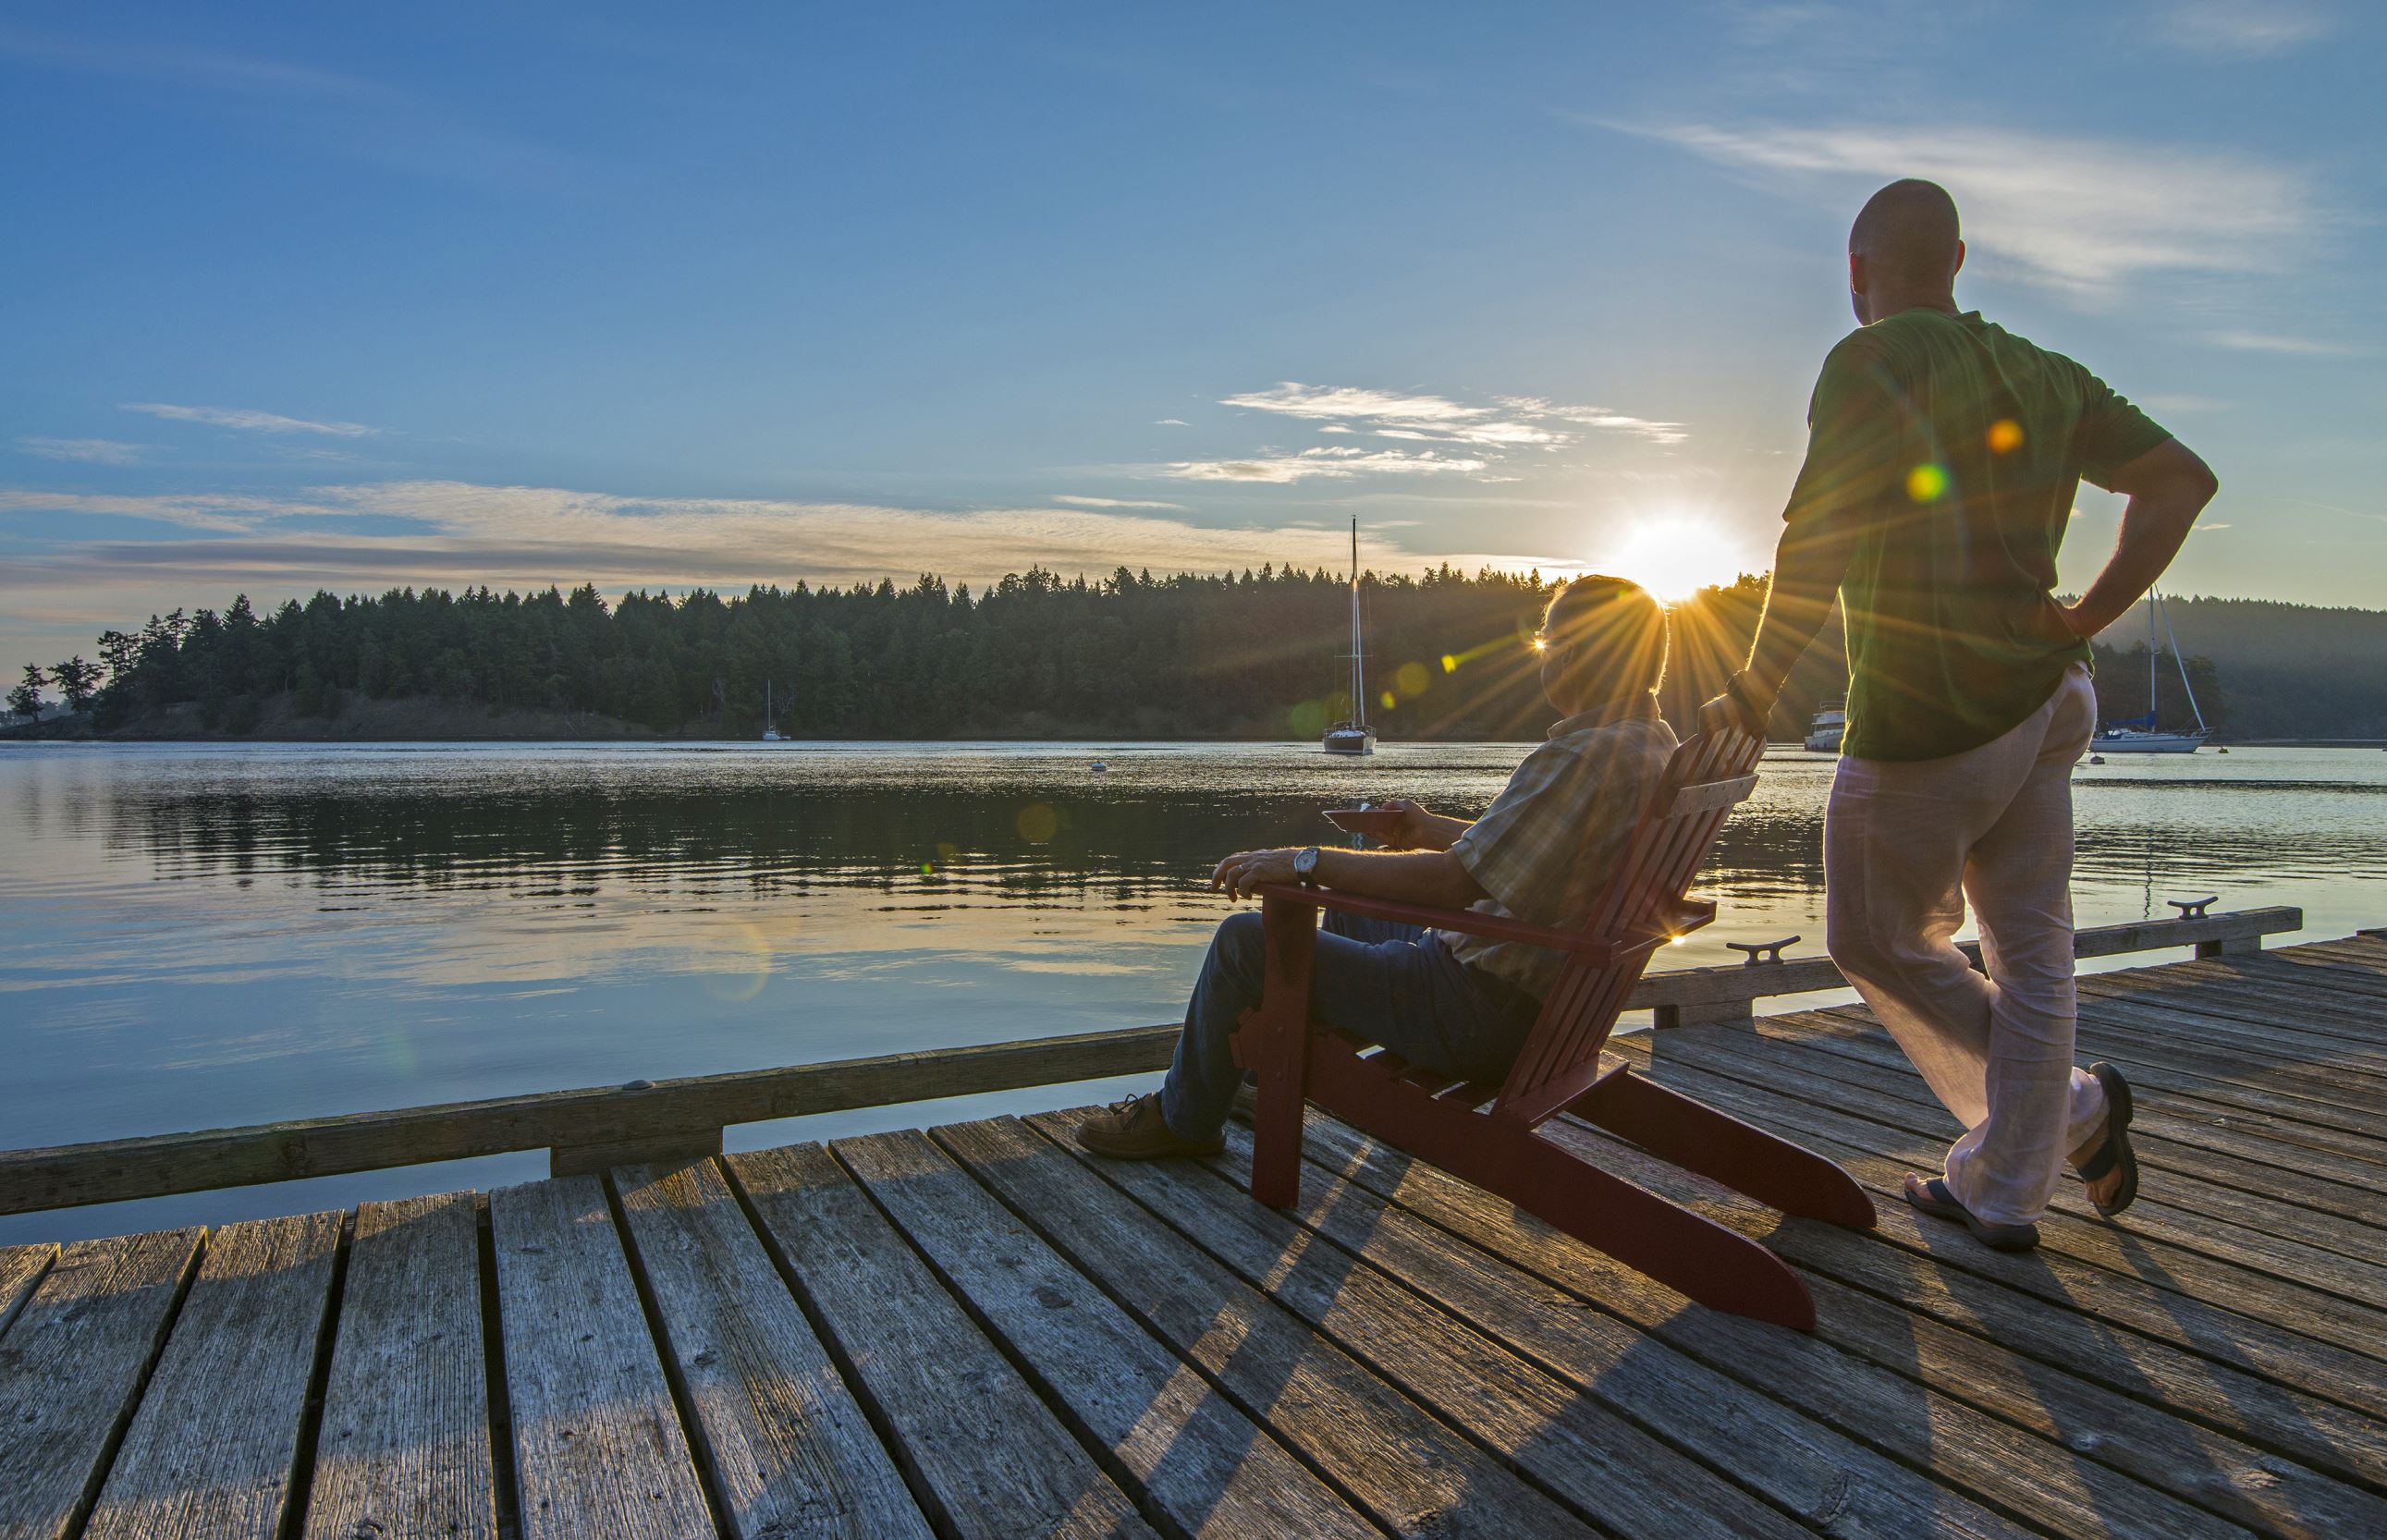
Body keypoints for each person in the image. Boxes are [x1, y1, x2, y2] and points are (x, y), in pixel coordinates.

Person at [1703, 178, 2218, 1251]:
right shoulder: (2044, 373)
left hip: (1930, 713)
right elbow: (2178, 480)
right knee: (2031, 950)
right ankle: (2013, 1173)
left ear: (1855, 273)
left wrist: (1755, 687)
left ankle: (2058, 1121)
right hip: (2049, 691)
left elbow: (1816, 539)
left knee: (1871, 936)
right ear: (1958, 259)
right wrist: (2085, 612)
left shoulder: (1870, 360)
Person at [1079, 574, 1677, 1159]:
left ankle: (1185, 1122)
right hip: (1549, 1009)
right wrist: (1424, 830)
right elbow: (1533, 854)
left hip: (1476, 1015)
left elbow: (1450, 883)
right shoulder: (1649, 744)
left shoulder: (1578, 757)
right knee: (1343, 907)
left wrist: (1304, 861)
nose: (1544, 660)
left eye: (1546, 645)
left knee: (1244, 942)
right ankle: (1269, 1087)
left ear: (1571, 655)